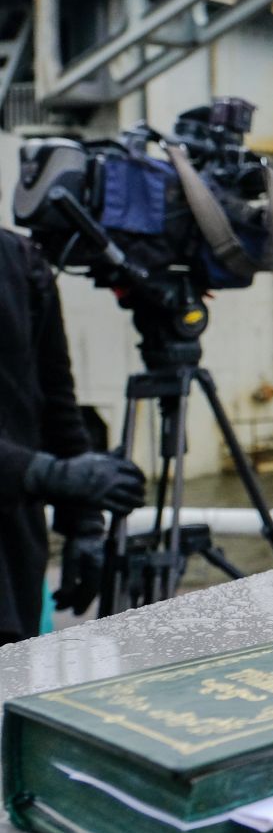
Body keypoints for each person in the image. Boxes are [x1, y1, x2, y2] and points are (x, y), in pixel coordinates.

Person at [0, 229, 145, 643]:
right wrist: (46, 474)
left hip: (14, 556)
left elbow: (54, 400)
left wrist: (84, 522)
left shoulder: (22, 259)